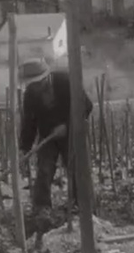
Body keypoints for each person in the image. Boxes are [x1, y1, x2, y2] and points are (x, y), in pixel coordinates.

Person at [19, 59, 94, 216]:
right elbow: (29, 123)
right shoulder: (30, 94)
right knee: (44, 170)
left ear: (45, 77)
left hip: (71, 133)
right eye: (31, 84)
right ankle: (42, 207)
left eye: (37, 83)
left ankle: (80, 204)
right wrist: (24, 148)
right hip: (48, 135)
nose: (35, 87)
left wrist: (67, 125)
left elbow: (86, 105)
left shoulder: (65, 81)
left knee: (75, 168)